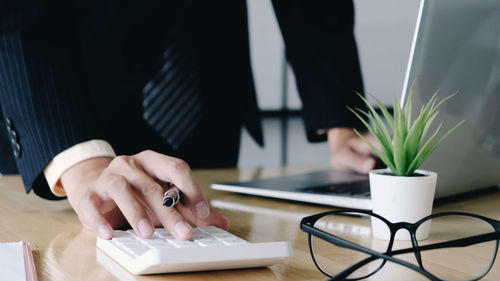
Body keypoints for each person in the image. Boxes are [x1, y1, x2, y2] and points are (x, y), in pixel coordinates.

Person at [0, 1, 378, 240]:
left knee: (202, 222)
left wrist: (341, 119)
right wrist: (80, 161)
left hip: (207, 78)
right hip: (66, 96)